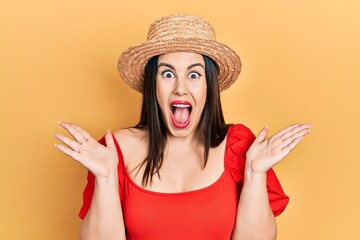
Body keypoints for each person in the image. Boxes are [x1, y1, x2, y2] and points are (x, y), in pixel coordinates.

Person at [54, 14, 312, 240]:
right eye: (167, 74)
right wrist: (106, 178)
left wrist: (255, 174)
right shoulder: (114, 150)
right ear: (152, 85)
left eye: (194, 74)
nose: (180, 88)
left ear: (209, 85)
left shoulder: (238, 146)